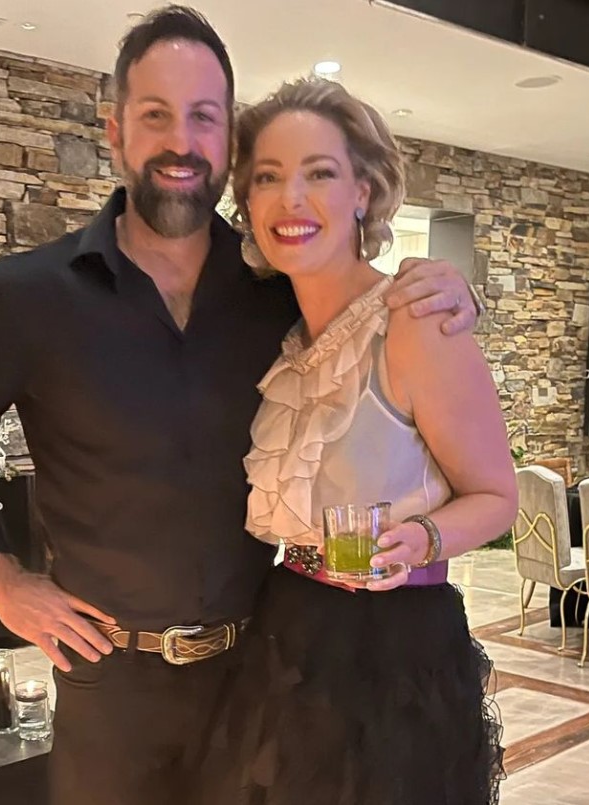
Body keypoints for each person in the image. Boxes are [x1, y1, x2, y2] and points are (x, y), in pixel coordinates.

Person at [0, 7, 481, 804]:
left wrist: (446, 286)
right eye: (155, 115)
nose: (181, 140)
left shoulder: (280, 294)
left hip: (261, 675)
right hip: (110, 685)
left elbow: (370, 313)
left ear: (228, 141)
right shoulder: (27, 297)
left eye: (204, 116)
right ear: (115, 133)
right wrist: (4, 584)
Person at [201, 78, 518, 805]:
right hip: (289, 628)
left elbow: (498, 496)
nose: (291, 199)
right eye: (267, 178)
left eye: (319, 173)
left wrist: (423, 539)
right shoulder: (277, 335)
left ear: (363, 192)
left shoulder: (416, 319)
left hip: (392, 646)